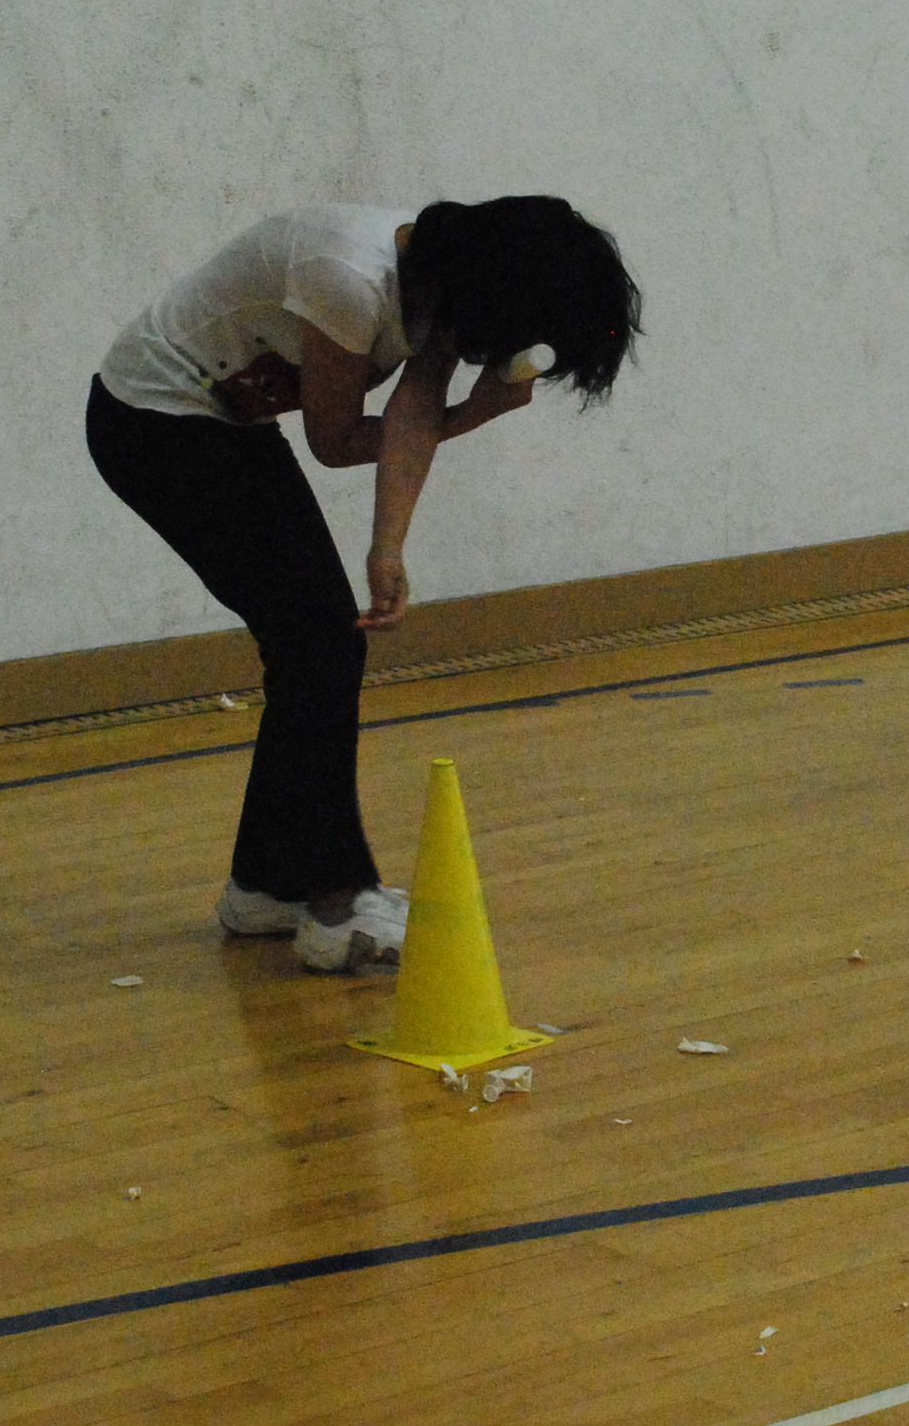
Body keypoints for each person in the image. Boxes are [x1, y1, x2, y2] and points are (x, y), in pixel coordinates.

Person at [88, 199, 639, 970]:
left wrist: (388, 548)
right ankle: (338, 904)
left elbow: (414, 409)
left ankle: (267, 886)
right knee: (317, 646)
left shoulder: (438, 284)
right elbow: (337, 439)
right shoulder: (348, 279)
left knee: (316, 646)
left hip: (225, 424)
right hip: (152, 424)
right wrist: (476, 415)